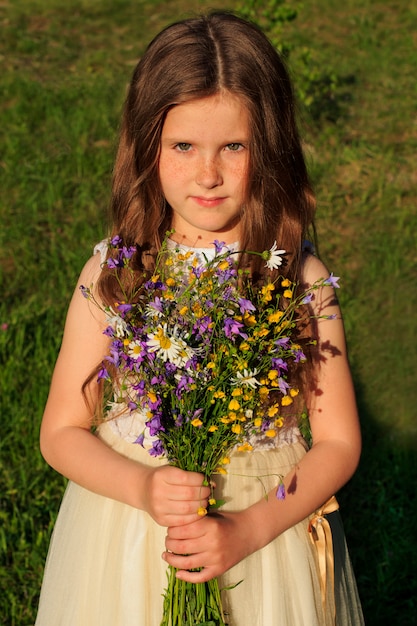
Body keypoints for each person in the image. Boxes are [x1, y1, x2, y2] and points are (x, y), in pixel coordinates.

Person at [35, 11, 364, 626]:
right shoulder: (117, 271)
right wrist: (142, 489)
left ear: (268, 147)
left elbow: (339, 441)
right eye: (183, 146)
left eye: (233, 147)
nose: (207, 174)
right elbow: (60, 431)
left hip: (259, 537)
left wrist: (249, 527)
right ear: (147, 145)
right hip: (133, 534)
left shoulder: (297, 280)